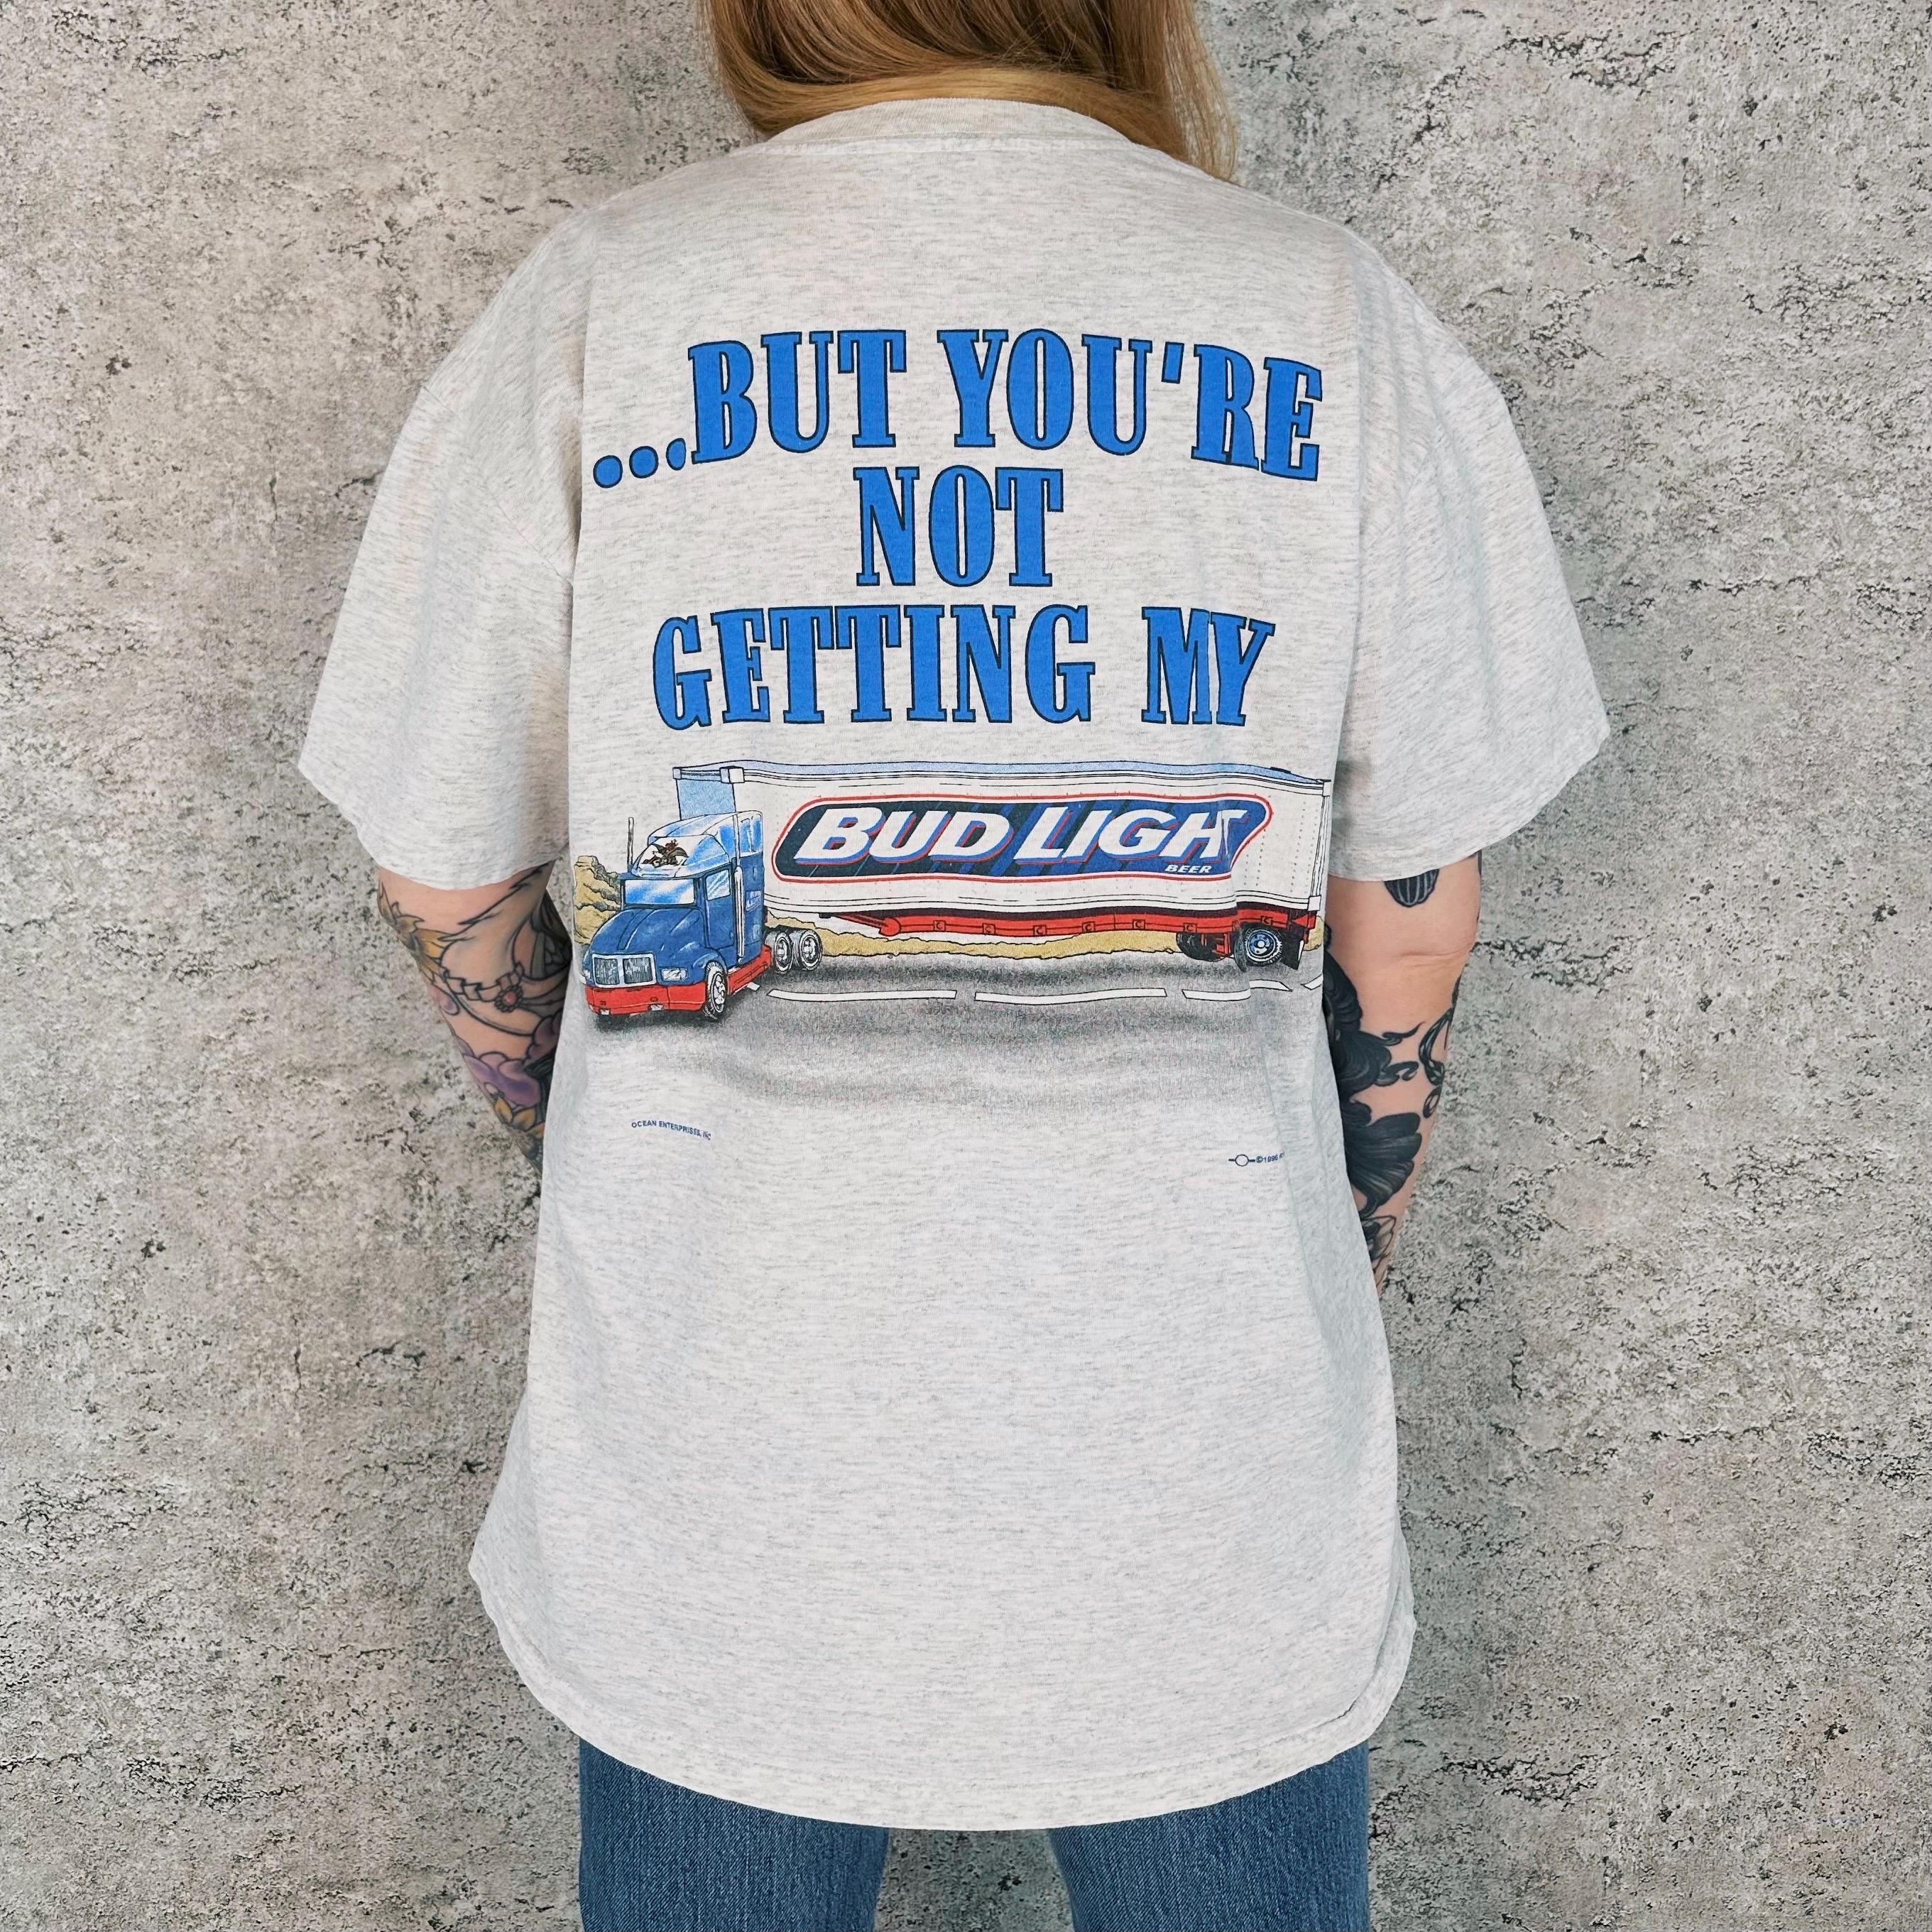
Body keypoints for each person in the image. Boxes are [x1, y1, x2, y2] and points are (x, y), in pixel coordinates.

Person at [300, 1, 1608, 1925]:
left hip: (714, 1458)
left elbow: (443, 865)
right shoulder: (1325, 311)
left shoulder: (605, 301)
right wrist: (1337, 1237)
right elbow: (1406, 904)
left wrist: (596, 1142)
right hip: (1206, 1457)